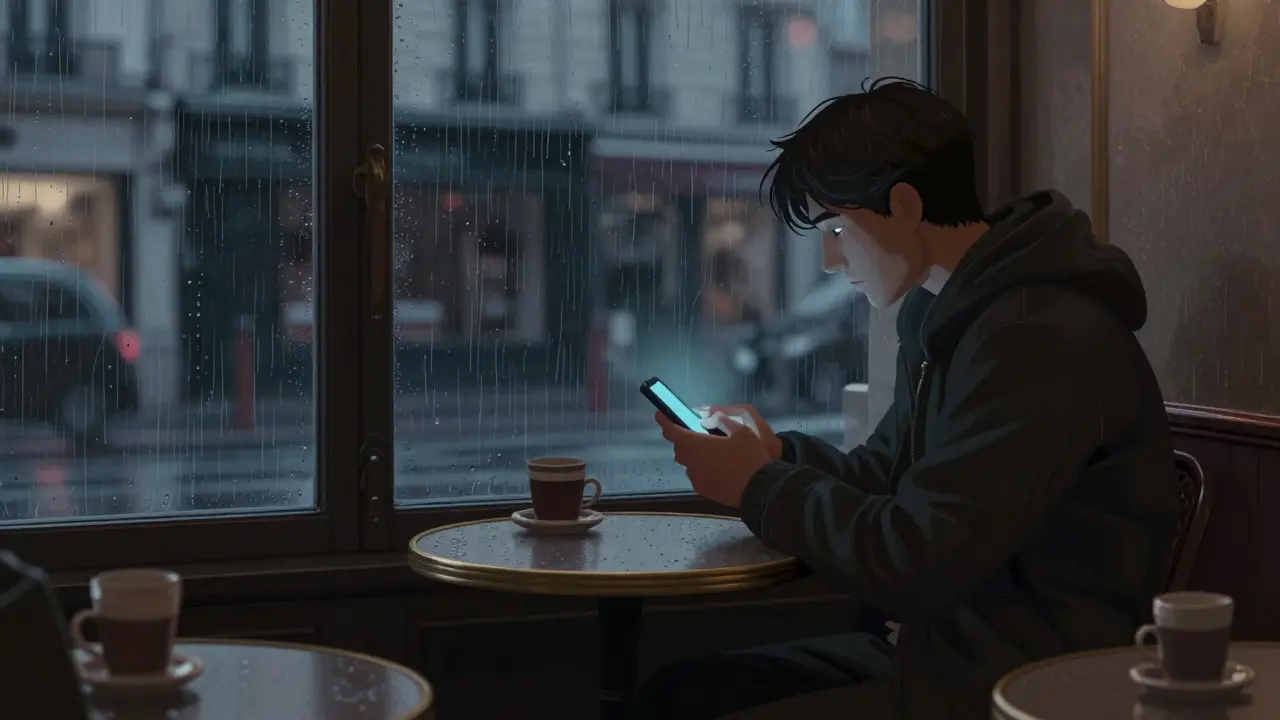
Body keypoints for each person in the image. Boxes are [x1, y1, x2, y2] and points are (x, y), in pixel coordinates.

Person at [637, 78, 1180, 719]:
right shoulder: (949, 314)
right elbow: (886, 476)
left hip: (1019, 684)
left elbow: (917, 560)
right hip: (940, 652)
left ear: (903, 205)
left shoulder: (1033, 337)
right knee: (679, 694)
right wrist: (774, 455)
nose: (830, 260)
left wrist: (758, 485)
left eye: (837, 228)